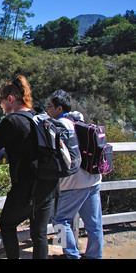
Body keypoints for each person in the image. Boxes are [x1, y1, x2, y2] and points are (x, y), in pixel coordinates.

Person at [0, 75, 59, 259]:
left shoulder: (11, 121)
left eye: (1, 101)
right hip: (48, 185)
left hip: (26, 188)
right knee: (40, 234)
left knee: (7, 224)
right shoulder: (39, 116)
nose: (1, 106)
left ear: (10, 99)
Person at [47, 89, 103, 259]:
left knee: (59, 220)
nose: (47, 110)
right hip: (93, 180)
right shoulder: (79, 120)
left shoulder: (60, 125)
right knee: (94, 224)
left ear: (59, 108)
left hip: (73, 183)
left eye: (50, 106)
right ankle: (95, 256)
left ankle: (71, 255)